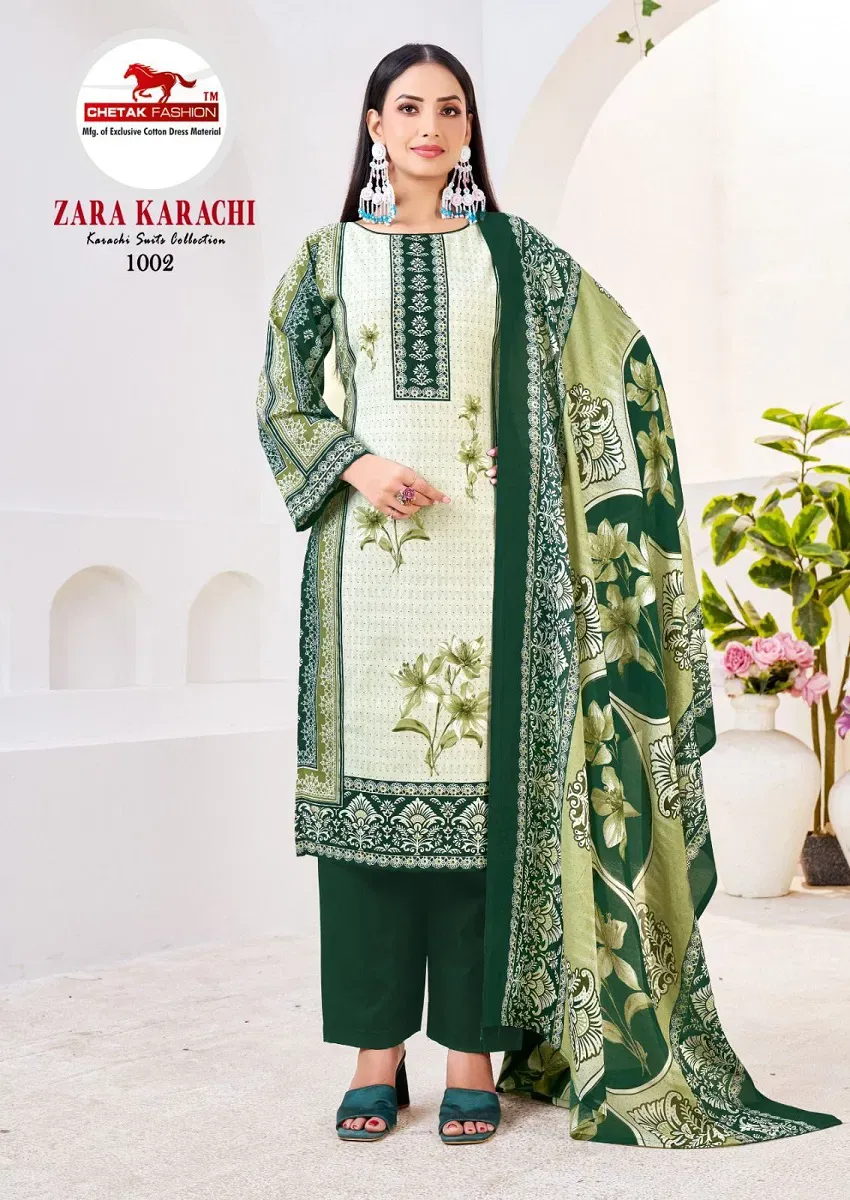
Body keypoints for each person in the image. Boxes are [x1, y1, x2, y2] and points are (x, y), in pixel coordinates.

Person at [254, 43, 841, 1148]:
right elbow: (283, 398)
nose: (429, 126)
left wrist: (565, 468)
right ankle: (375, 1054)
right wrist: (357, 465)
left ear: (468, 129)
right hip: (366, 573)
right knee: (366, 817)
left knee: (492, 817)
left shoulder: (515, 257)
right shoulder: (325, 257)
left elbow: (618, 362)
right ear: (374, 125)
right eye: (408, 108)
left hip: (500, 564)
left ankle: (470, 1052)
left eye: (451, 109)